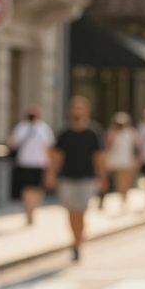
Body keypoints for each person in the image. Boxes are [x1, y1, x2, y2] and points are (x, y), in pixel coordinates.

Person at [47, 97, 106, 261]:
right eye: (75, 108)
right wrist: (51, 175)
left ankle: (78, 241)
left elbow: (99, 157)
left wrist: (102, 177)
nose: (77, 112)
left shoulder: (93, 133)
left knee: (81, 211)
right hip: (67, 178)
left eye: (81, 108)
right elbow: (57, 157)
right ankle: (76, 240)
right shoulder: (64, 134)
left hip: (87, 178)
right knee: (71, 212)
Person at [7, 105, 54, 226]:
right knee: (35, 189)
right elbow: (49, 149)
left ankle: (29, 212)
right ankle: (31, 211)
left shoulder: (21, 127)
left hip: (27, 163)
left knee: (28, 189)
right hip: (37, 164)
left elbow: (12, 143)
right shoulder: (43, 129)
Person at [104, 112, 139, 212]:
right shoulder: (112, 133)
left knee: (124, 183)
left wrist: (136, 160)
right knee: (113, 182)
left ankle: (124, 200)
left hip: (126, 162)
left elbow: (136, 147)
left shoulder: (131, 133)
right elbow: (108, 146)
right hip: (113, 162)